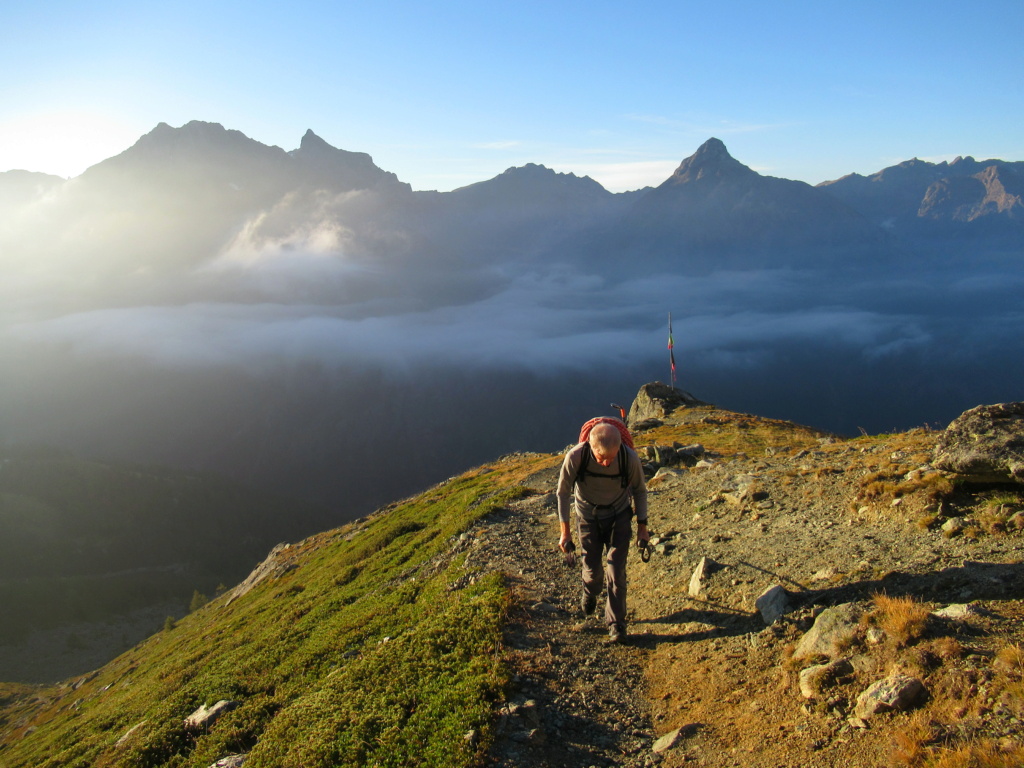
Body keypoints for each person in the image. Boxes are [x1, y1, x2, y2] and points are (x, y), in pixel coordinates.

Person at [557, 420, 649, 643]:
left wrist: (642, 529)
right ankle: (590, 592)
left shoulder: (629, 458)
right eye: (601, 458)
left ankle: (616, 624)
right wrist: (565, 532)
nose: (607, 463)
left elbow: (640, 491)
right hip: (588, 517)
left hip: (619, 516)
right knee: (592, 569)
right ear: (591, 447)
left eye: (612, 457)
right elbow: (562, 492)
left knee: (616, 569)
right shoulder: (576, 457)